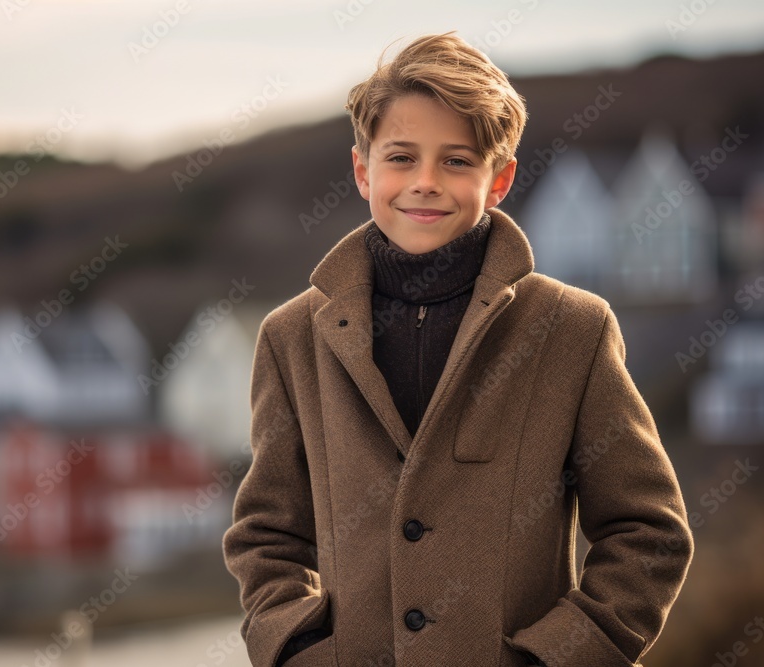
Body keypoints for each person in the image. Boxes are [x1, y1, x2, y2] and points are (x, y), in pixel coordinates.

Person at [222, 31, 693, 667]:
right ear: (362, 171)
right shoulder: (290, 338)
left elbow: (648, 533)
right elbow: (267, 536)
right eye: (400, 158)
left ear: (499, 179)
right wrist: (298, 649)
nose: (425, 182)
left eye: (457, 160)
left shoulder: (574, 329)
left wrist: (558, 657)